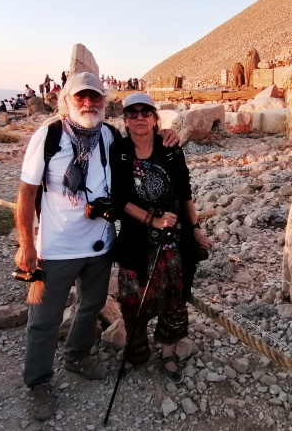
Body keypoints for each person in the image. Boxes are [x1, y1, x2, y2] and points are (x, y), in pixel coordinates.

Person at [14, 73, 179, 421]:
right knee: (44, 319)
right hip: (55, 248)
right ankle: (39, 383)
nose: (89, 104)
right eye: (81, 98)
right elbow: (26, 194)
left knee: (90, 308)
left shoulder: (109, 136)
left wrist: (166, 136)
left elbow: (141, 149)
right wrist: (26, 244)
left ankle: (77, 357)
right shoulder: (49, 136)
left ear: (104, 102)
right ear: (67, 101)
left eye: (95, 98)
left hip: (100, 245)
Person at [110, 92, 213, 384]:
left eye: (146, 112)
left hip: (173, 239)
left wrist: (195, 228)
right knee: (132, 298)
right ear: (126, 120)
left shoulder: (170, 149)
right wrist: (151, 219)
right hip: (135, 238)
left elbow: (184, 193)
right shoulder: (118, 151)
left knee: (174, 296)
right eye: (133, 113)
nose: (140, 117)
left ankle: (167, 351)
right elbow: (119, 199)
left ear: (155, 118)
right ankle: (137, 351)